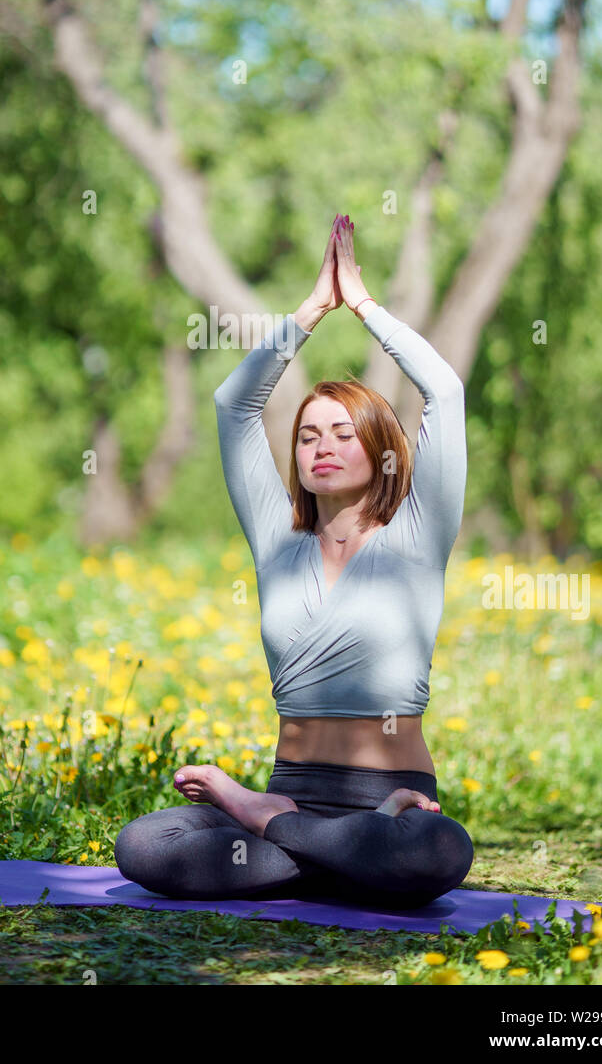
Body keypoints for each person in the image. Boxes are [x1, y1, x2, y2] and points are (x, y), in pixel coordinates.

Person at [114, 212, 474, 907]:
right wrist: (309, 311)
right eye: (309, 435)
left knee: (438, 849)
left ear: (381, 449)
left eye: (343, 432)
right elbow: (233, 406)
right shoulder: (278, 540)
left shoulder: (417, 535)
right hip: (303, 790)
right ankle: (326, 849)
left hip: (391, 795)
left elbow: (446, 393)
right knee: (145, 844)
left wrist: (364, 307)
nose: (322, 445)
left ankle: (268, 822)